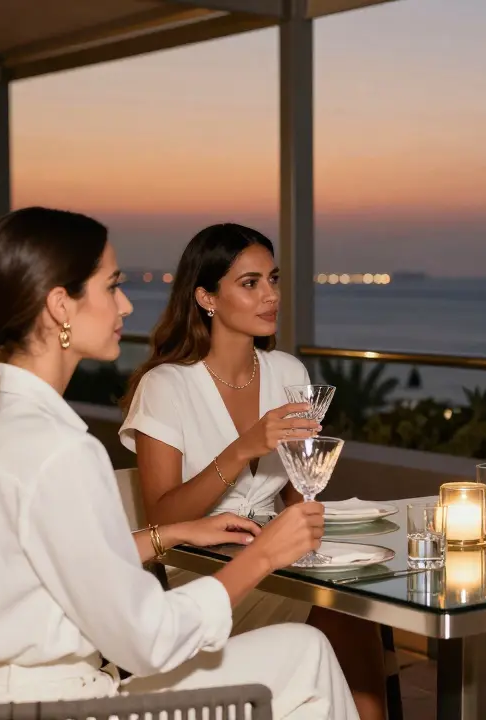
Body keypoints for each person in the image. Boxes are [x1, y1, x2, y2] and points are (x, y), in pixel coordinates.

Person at [0, 208, 357, 719]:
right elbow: (150, 641)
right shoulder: (60, 450)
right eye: (111, 285)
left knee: (306, 651)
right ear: (61, 306)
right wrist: (263, 556)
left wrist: (175, 534)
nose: (124, 304)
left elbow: (48, 562)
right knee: (308, 654)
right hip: (64, 707)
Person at [119, 224, 386, 720]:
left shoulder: (288, 373)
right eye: (250, 283)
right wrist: (242, 449)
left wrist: (310, 520)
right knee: (339, 610)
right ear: (206, 297)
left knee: (352, 599)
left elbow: (295, 489)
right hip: (202, 571)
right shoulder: (166, 386)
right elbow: (161, 514)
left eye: (274, 279)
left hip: (279, 557)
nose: (271, 295)